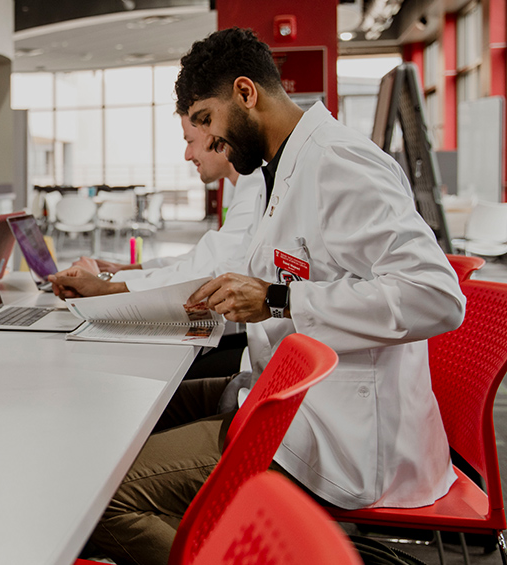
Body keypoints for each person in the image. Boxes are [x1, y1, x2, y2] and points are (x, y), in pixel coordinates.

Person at [86, 28, 465, 565]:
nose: (212, 143)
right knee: (131, 412)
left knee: (101, 500)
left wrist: (280, 299)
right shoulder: (279, 170)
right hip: (282, 394)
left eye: (208, 122)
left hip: (340, 438)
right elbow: (251, 276)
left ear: (246, 94)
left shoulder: (339, 163)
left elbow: (436, 296)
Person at [48, 112, 265, 299]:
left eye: (190, 141)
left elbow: (205, 274)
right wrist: (124, 270)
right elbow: (196, 261)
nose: (187, 155)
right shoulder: (248, 188)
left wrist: (107, 283)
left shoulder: (255, 189)